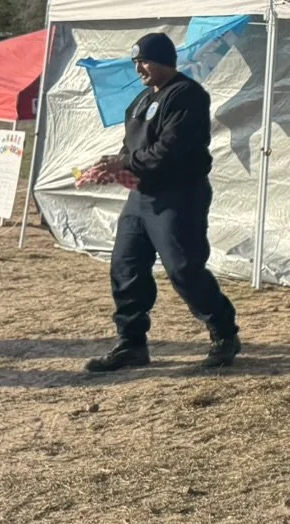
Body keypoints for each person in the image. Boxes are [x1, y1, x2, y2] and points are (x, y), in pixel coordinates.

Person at [79, 31, 242, 373]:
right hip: (141, 196)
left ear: (166, 61)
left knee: (183, 268)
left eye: (146, 61)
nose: (140, 67)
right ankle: (131, 343)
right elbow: (133, 146)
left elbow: (170, 148)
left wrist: (125, 163)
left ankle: (224, 332)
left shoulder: (186, 95)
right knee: (126, 266)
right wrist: (114, 164)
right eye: (136, 61)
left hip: (179, 195)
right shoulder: (140, 100)